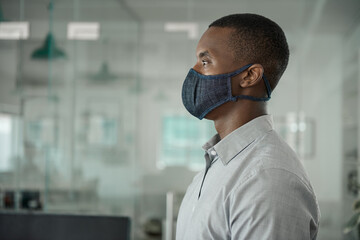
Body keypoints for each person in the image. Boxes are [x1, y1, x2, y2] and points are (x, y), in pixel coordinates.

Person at [177, 13, 320, 240]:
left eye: (205, 62)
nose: (194, 72)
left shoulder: (269, 179)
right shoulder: (219, 163)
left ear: (250, 76)